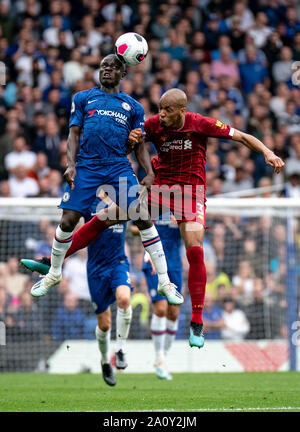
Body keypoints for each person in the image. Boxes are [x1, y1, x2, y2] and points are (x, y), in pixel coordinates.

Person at [24, 88, 285, 349]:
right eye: (160, 108)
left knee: (195, 250)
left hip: (190, 194)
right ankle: (52, 262)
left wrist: (268, 152)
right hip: (160, 190)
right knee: (107, 216)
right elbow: (128, 145)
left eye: (167, 110)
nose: (161, 114)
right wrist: (132, 139)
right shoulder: (153, 125)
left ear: (181, 111)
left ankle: (196, 322)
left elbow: (241, 136)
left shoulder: (200, 123)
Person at [30, 54, 183, 308]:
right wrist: (70, 164)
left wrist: (149, 172)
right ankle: (53, 274)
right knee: (67, 220)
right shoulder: (82, 98)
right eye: (103, 66)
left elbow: (139, 144)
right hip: (87, 167)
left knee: (142, 215)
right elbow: (73, 133)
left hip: (117, 167)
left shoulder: (133, 107)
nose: (107, 70)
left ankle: (165, 282)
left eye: (113, 67)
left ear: (123, 74)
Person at [22, 194, 133, 387]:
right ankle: (105, 361)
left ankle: (120, 350)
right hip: (96, 268)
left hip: (118, 263)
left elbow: (141, 219)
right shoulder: (89, 195)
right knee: (104, 324)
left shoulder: (123, 193)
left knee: (125, 299)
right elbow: (72, 225)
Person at [140, 213, 182, 380]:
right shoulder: (151, 201)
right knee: (161, 307)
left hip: (174, 264)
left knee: (174, 312)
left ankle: (163, 356)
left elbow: (191, 232)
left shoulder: (180, 205)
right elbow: (136, 228)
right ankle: (159, 358)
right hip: (153, 261)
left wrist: (181, 223)